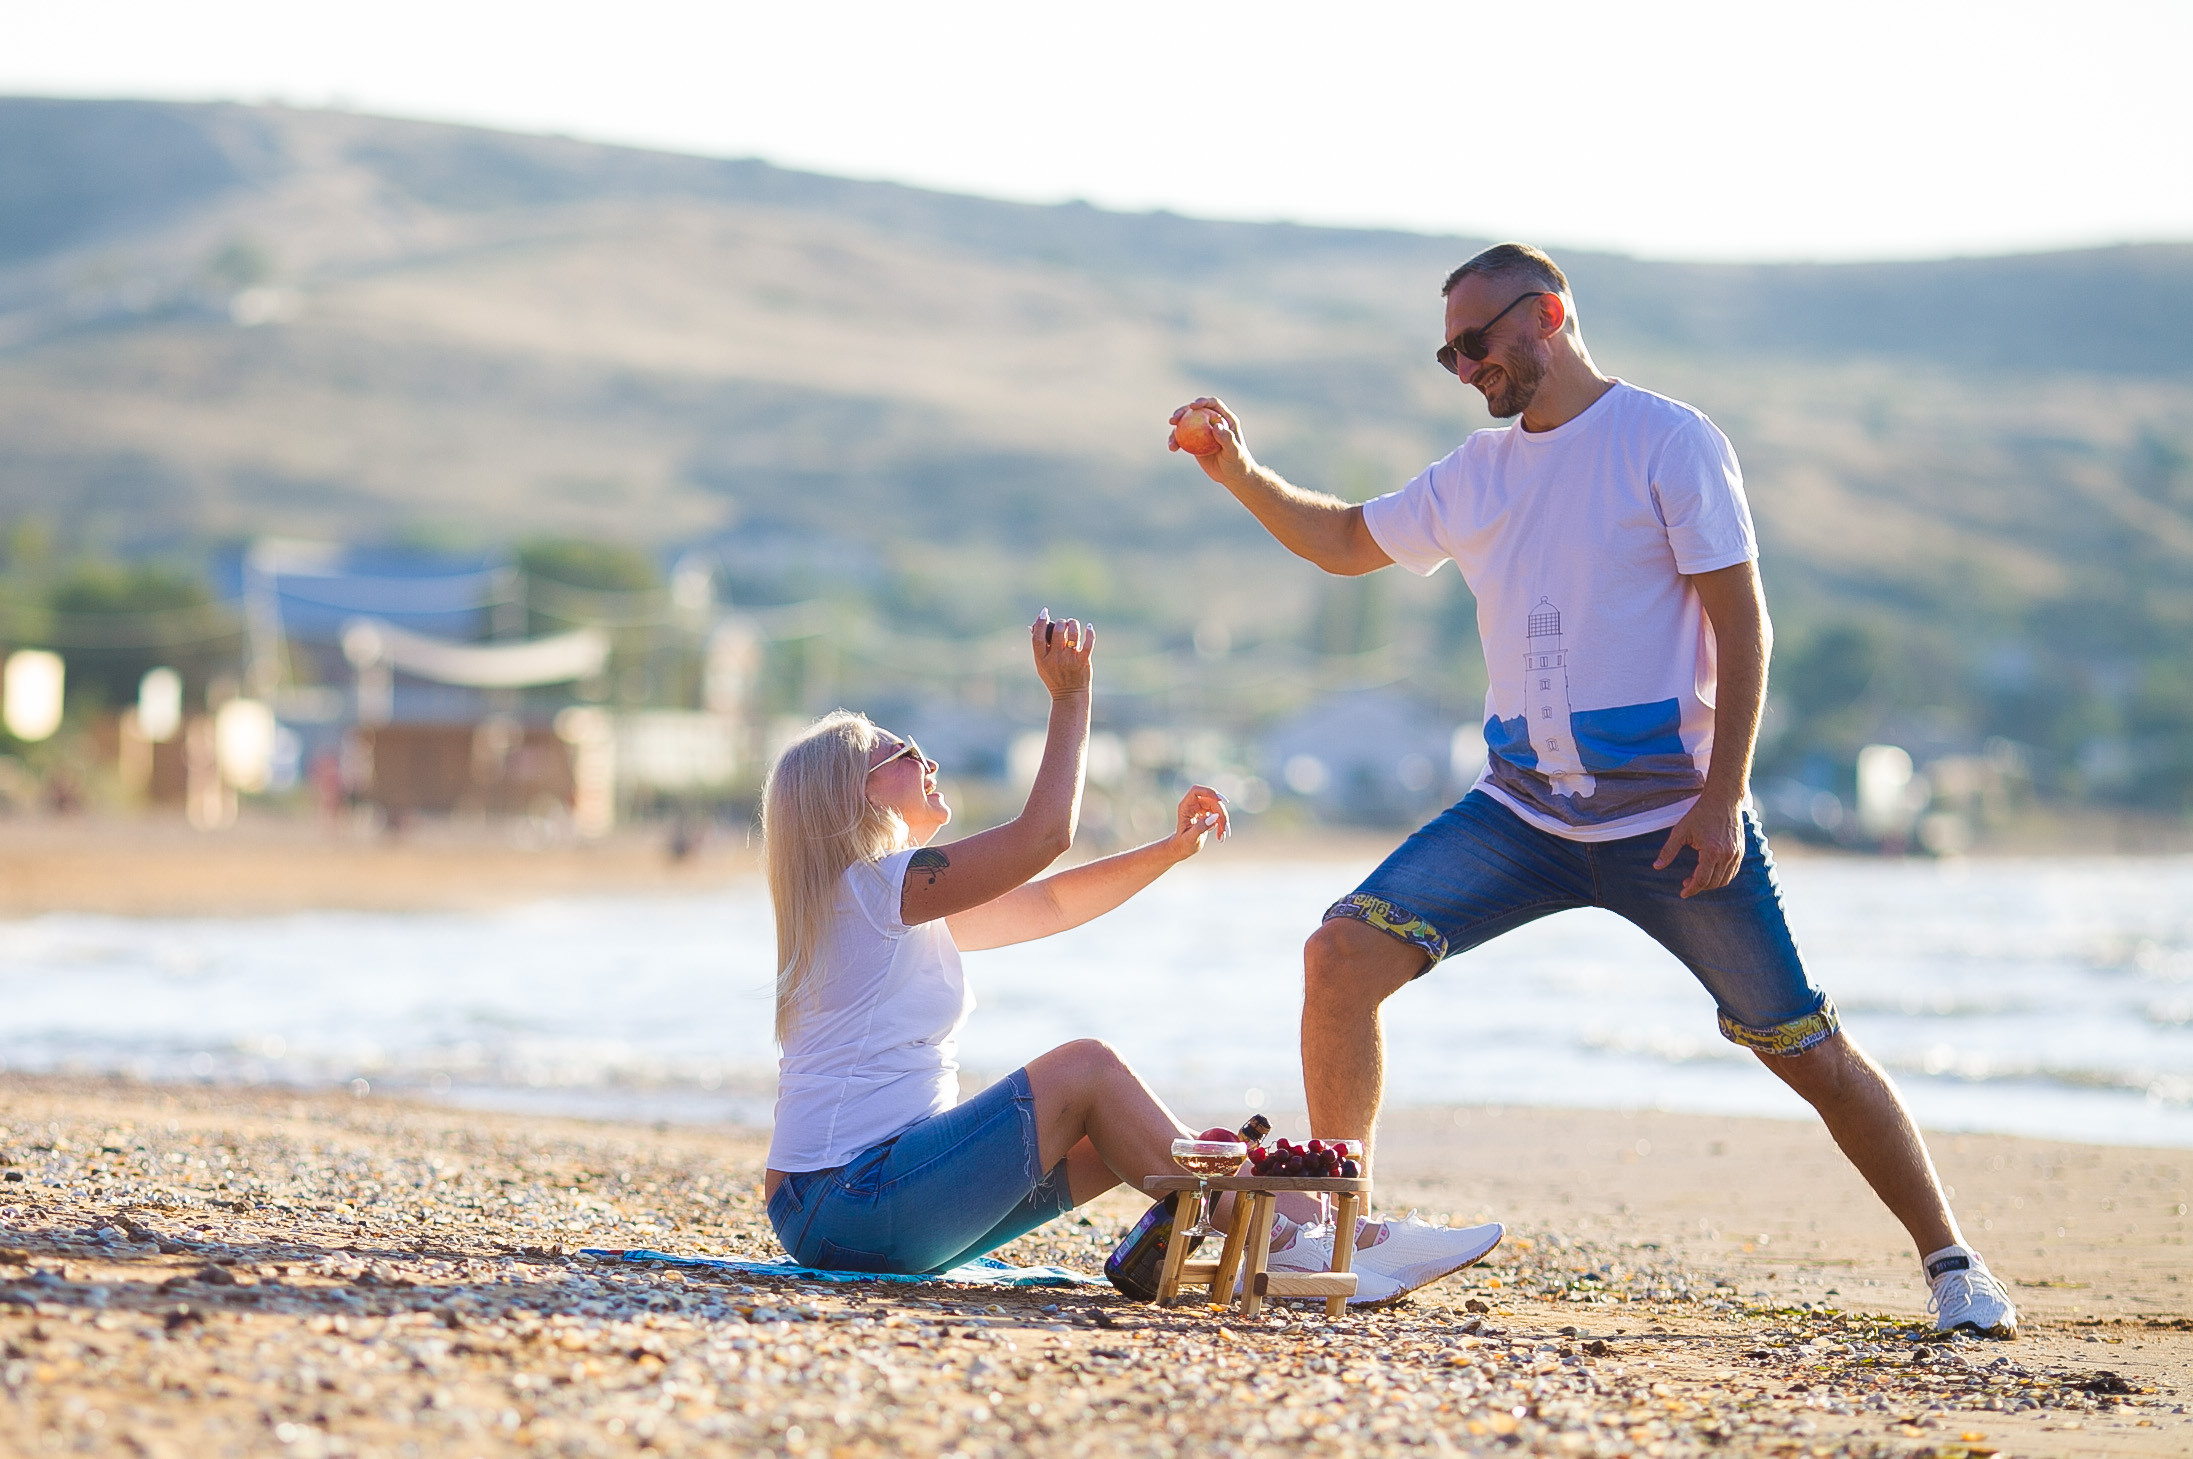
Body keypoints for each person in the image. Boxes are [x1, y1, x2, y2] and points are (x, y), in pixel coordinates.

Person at [1167, 242, 2018, 1338]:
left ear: (1548, 316)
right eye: (1449, 351)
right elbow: (1340, 542)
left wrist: (1724, 794)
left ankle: (1954, 1262)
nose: (1465, 366)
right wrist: (1237, 469)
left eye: (1477, 342)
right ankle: (1352, 1234)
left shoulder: (1667, 440)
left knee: (1802, 1042)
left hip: (1674, 821)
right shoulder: (1479, 472)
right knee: (1340, 953)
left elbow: (1741, 620)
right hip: (1522, 813)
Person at [761, 611, 1497, 1302]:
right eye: (905, 754)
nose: (930, 760)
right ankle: (1278, 1242)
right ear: (851, 796)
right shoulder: (875, 886)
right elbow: (1045, 835)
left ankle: (1353, 1236)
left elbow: (1050, 902)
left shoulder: (882, 904)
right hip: (846, 1203)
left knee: (1169, 1138)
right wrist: (1071, 697)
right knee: (1085, 1067)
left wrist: (1169, 851)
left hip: (855, 1206)